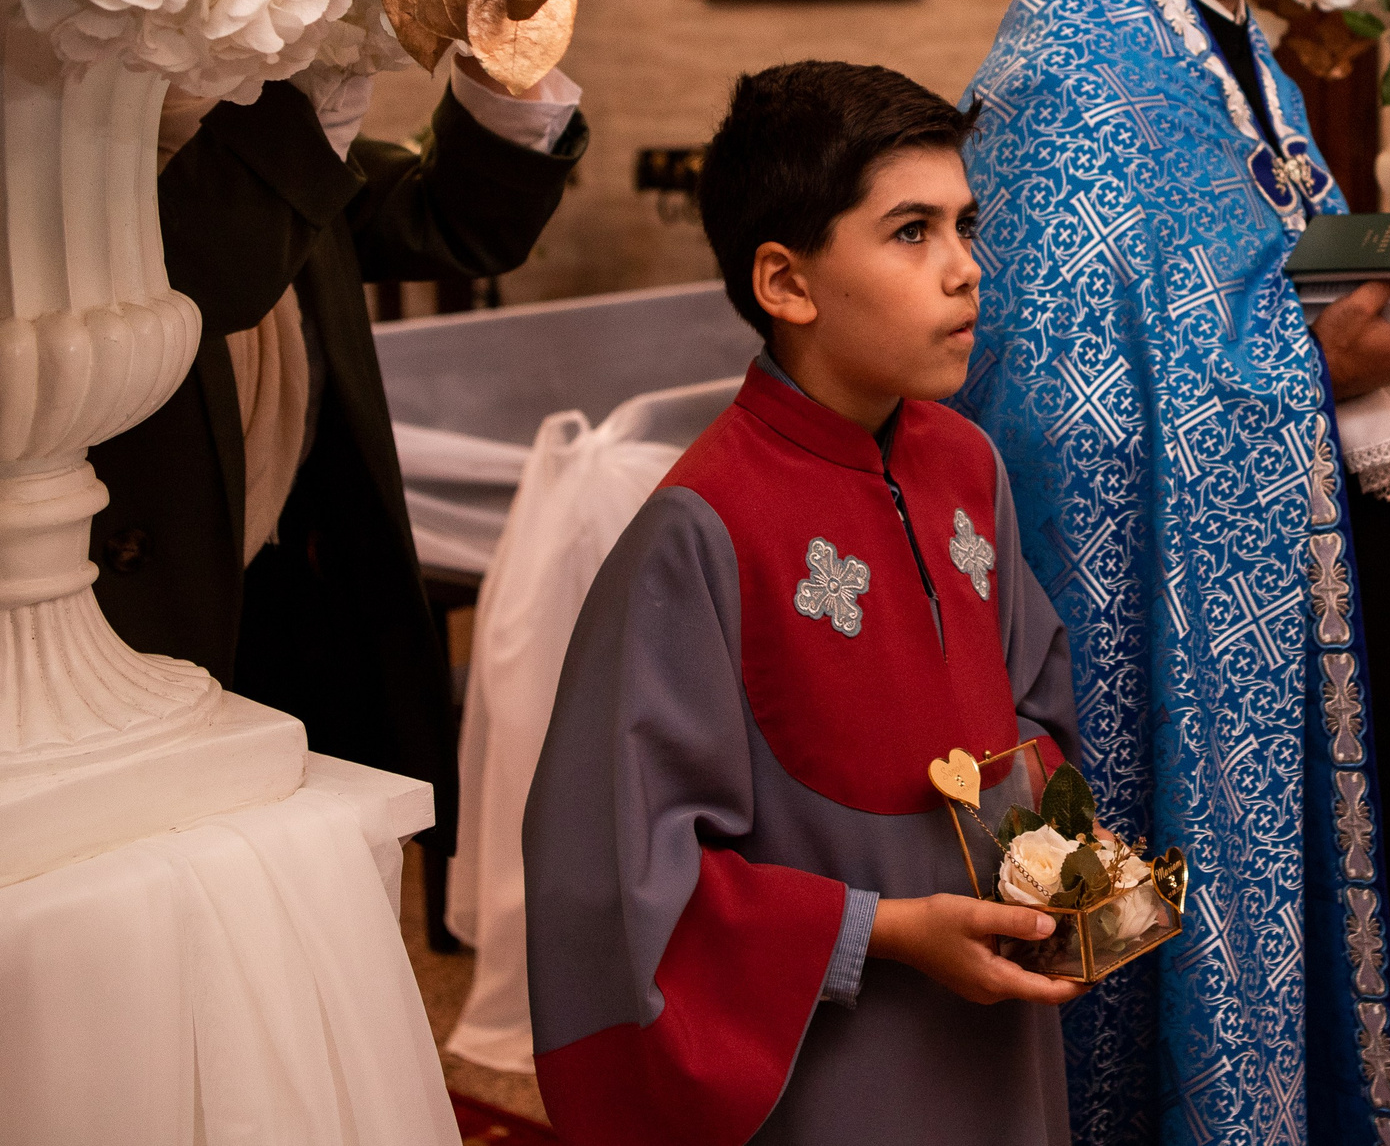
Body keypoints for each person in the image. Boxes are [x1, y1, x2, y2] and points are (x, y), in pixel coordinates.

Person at [955, 0, 1390, 1146]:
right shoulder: (1067, 88)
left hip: (1294, 585)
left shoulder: (1204, 38)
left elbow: (1246, 277)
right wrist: (1319, 371)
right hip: (1140, 650)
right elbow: (1064, 415)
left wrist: (1345, 315)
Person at [522, 63, 1084, 1146]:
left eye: (966, 225)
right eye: (911, 231)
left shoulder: (968, 465)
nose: (966, 269)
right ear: (786, 281)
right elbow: (622, 885)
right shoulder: (700, 526)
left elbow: (1034, 708)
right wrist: (884, 930)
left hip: (994, 1027)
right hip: (830, 1058)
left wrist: (1056, 863)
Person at [87, 56, 585, 852]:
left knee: (325, 868)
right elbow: (207, 263)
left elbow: (449, 218)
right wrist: (311, 91)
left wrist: (507, 52)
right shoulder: (92, 157)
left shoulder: (255, 124)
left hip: (310, 565)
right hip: (160, 600)